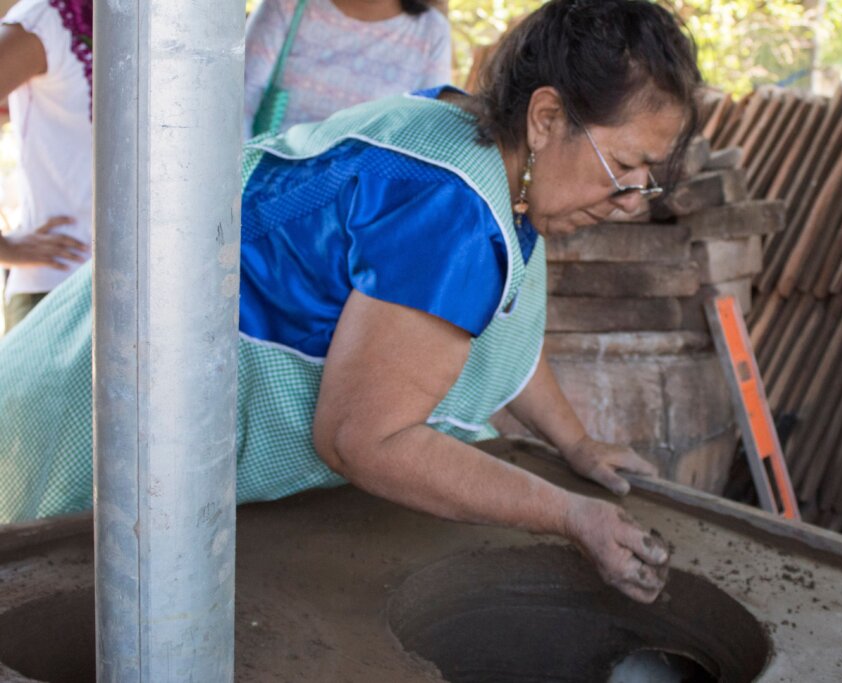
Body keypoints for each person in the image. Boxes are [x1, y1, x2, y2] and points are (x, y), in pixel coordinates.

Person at [0, 0, 702, 604]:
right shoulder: (451, 207)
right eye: (626, 167)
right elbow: (366, 439)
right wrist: (570, 514)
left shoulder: (472, 141)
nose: (633, 201)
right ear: (547, 117)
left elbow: (502, 332)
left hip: (103, 342)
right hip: (105, 400)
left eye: (648, 179)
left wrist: (576, 443)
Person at [0, 0, 91, 332]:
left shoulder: (162, 19)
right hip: (54, 289)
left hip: (152, 290)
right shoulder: (43, 21)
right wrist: (6, 249)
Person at [244, 0, 451, 136]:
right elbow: (240, 101)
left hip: (362, 197)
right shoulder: (287, 5)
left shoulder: (432, 31)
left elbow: (426, 128)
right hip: (266, 182)